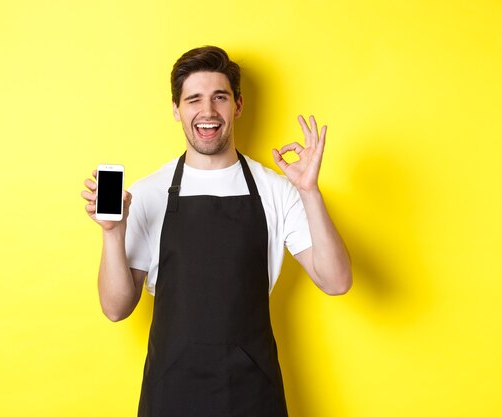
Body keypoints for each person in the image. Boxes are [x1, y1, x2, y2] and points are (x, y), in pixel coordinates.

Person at [81, 45, 352, 417]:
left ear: (237, 105)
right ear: (176, 110)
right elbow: (115, 308)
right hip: (170, 394)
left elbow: (336, 281)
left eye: (219, 97)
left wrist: (309, 192)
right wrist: (113, 232)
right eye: (193, 99)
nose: (207, 112)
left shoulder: (276, 189)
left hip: (252, 395)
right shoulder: (147, 194)